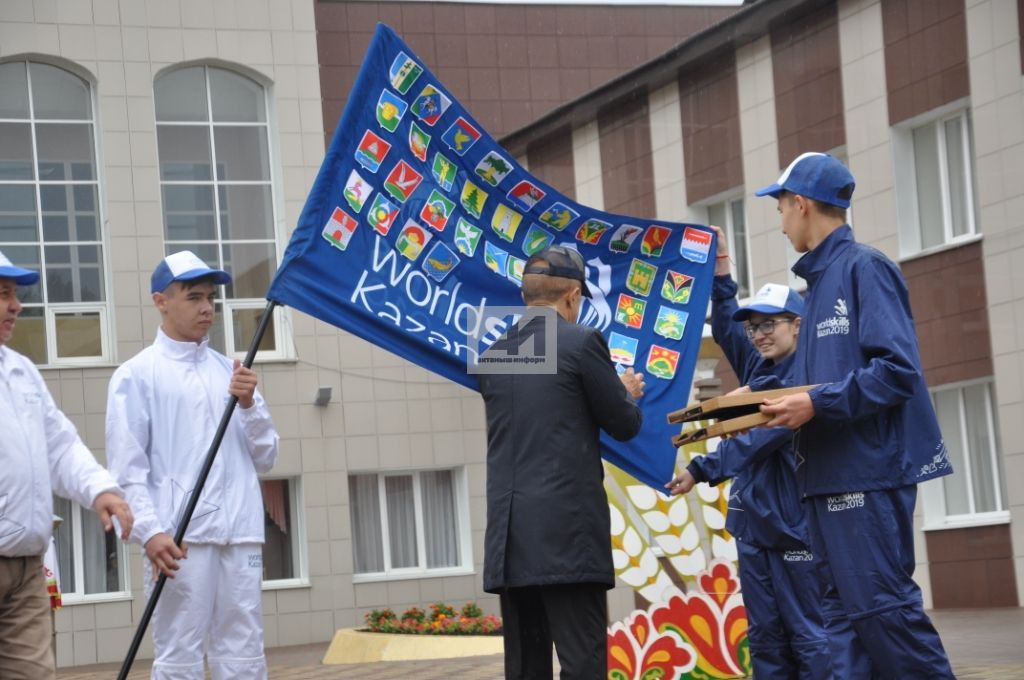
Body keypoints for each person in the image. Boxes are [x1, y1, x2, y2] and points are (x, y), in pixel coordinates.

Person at [756, 152, 955, 678]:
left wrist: (813, 403)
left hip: (864, 477)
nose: (778, 224)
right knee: (843, 628)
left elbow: (897, 372)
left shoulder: (865, 267)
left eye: (779, 208)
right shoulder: (817, 287)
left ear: (801, 205)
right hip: (825, 481)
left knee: (883, 616)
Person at [666, 227, 832, 679]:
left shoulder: (807, 376)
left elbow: (760, 437)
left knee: (809, 636)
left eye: (769, 324)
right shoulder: (763, 364)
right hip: (754, 526)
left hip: (796, 528)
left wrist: (699, 469)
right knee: (765, 637)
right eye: (754, 326)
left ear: (797, 324)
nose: (758, 335)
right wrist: (722, 271)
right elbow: (725, 325)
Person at [106, 250, 279, 680]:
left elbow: (267, 455)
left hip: (240, 533)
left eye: (212, 298)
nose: (207, 308)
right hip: (180, 539)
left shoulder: (233, 373)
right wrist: (150, 531)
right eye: (194, 297)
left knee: (244, 650)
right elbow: (128, 470)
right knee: (180, 651)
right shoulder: (136, 376)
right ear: (160, 301)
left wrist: (249, 404)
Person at [478, 245, 645, 679]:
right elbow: (623, 423)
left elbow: (543, 410)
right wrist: (624, 389)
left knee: (526, 667)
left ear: (524, 297)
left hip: (510, 540)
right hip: (567, 538)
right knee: (582, 662)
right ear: (572, 296)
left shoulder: (494, 353)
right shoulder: (582, 342)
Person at [0, 251, 133, 680]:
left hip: (26, 572)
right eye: (3, 295)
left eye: (14, 295)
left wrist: (101, 489)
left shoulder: (21, 372)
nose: (16, 306)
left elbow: (59, 447)